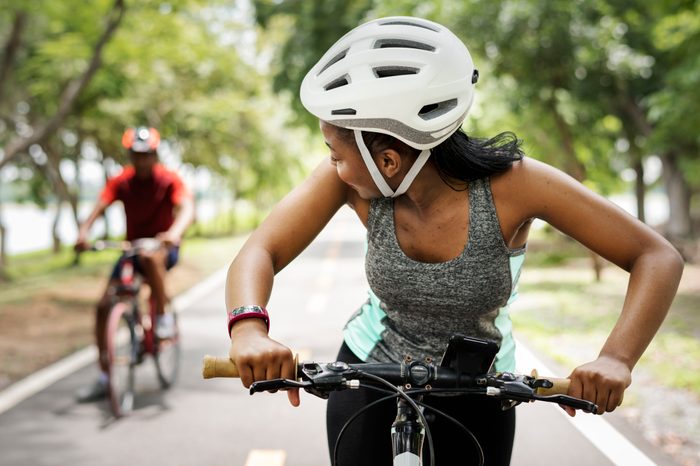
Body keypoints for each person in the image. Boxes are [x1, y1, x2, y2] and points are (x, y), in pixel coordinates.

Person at [224, 16, 684, 465]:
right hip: (369, 373)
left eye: (336, 153)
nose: (332, 165)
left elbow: (656, 256)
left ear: (387, 160)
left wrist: (615, 359)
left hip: (478, 385)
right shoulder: (348, 181)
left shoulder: (515, 186)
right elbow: (261, 250)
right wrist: (248, 328)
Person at [75, 126, 195, 402]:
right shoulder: (121, 181)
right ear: (129, 155)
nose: (141, 160)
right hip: (131, 249)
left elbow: (188, 209)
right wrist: (83, 234)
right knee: (103, 306)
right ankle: (105, 377)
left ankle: (162, 319)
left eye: (147, 155)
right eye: (136, 155)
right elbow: (98, 208)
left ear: (155, 155)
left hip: (162, 249)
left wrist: (174, 234)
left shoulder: (168, 179)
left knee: (150, 257)